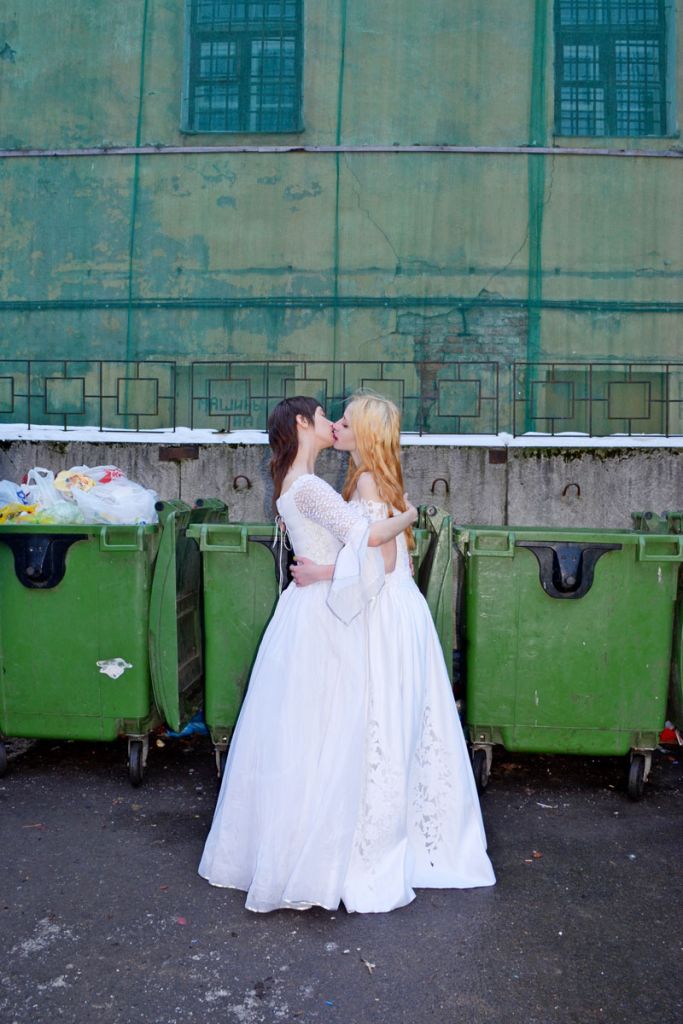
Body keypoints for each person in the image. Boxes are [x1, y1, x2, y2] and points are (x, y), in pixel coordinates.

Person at [198, 395, 418, 913]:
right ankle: (316, 852)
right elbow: (364, 539)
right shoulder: (312, 486)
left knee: (303, 734)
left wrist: (323, 567)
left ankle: (293, 846)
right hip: (324, 615)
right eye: (324, 417)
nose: (332, 424)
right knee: (328, 732)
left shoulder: (293, 485)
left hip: (309, 609)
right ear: (303, 423)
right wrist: (406, 515)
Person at [291, 392, 495, 911]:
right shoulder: (374, 478)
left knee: (375, 723)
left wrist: (320, 572)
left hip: (383, 612)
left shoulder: (365, 481)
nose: (335, 425)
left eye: (345, 420)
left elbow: (379, 567)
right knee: (398, 726)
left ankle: (371, 846)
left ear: (365, 434)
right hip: (398, 612)